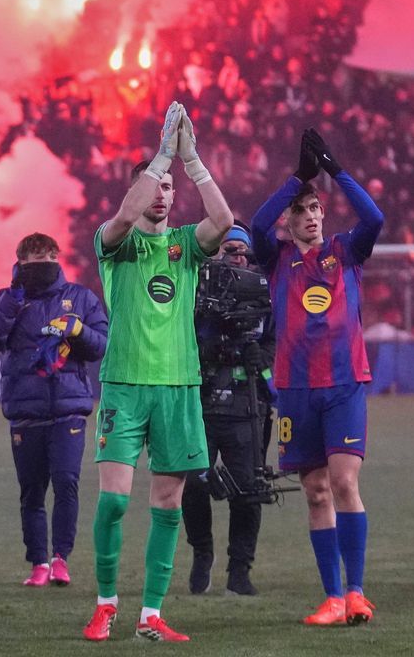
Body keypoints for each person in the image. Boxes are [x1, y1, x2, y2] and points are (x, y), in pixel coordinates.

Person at [82, 101, 234, 644]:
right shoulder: (115, 244)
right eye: (156, 185)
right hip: (124, 382)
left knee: (168, 502)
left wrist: (191, 161)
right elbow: (124, 216)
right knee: (116, 499)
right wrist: (161, 154)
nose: (163, 193)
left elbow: (225, 222)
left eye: (169, 187)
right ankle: (104, 605)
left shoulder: (186, 246)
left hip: (178, 386)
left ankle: (150, 615)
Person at [250, 128, 386, 622]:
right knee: (316, 490)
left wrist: (335, 170)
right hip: (295, 391)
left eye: (314, 209)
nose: (308, 217)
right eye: (300, 212)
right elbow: (254, 224)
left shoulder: (346, 252)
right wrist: (297, 179)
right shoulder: (278, 259)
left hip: (344, 384)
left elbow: (375, 217)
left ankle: (355, 591)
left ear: (323, 216)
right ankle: (331, 597)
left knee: (345, 482)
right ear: (289, 222)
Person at [0, 232, 108, 588]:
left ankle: (61, 558)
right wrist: (14, 298)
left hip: (68, 409)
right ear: (19, 263)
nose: (40, 263)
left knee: (66, 483)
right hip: (25, 410)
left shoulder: (80, 297)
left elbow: (101, 345)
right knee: (31, 491)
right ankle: (38, 564)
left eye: (46, 255)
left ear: (56, 256)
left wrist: (78, 330)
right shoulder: (8, 298)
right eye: (32, 258)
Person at [180, 224, 273, 599]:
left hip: (246, 401)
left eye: (242, 251)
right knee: (194, 484)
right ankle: (202, 552)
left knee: (248, 488)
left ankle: (239, 570)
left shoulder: (262, 293)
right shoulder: (195, 292)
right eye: (228, 249)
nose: (236, 257)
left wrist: (261, 358)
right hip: (201, 401)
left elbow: (273, 340)